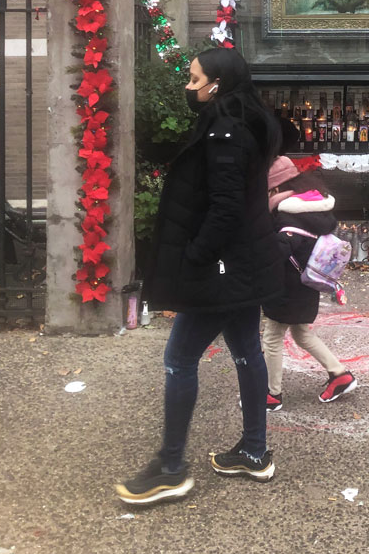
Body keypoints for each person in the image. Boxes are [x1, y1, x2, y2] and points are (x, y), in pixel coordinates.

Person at [115, 48, 284, 506]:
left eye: (195, 80)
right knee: (248, 351)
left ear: (218, 85)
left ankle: (171, 468)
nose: (190, 88)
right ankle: (253, 452)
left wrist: (195, 256)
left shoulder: (227, 131)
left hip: (222, 267)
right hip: (242, 262)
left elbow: (225, 208)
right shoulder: (240, 121)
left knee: (179, 356)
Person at [262, 155, 356, 410]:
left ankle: (272, 395)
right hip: (306, 283)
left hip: (287, 288)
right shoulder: (314, 205)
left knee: (271, 337)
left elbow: (278, 251)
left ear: (277, 187)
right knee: (301, 333)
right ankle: (339, 374)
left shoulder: (287, 214)